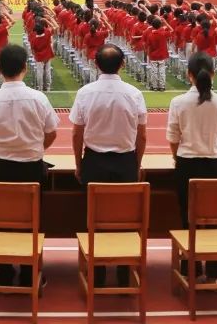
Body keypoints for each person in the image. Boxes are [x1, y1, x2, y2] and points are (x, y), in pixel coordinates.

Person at [0, 44, 58, 288]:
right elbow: (51, 132)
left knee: (1, 221)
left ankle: (4, 272)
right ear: (25, 68)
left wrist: (3, 149)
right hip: (32, 167)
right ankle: (27, 273)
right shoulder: (38, 98)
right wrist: (35, 148)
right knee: (31, 221)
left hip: (0, 166)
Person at [69, 43, 147, 287]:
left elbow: (76, 135)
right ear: (123, 64)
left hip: (94, 161)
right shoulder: (133, 94)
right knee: (124, 220)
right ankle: (124, 276)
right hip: (125, 162)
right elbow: (141, 136)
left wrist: (78, 164)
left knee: (95, 220)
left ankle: (98, 276)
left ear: (95, 63)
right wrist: (137, 164)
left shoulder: (85, 93)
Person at [166, 51, 217, 281]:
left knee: (188, 218)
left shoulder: (178, 102)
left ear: (189, 75)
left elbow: (173, 137)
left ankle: (190, 269)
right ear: (213, 74)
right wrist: (214, 148)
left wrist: (178, 157)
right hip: (215, 163)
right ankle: (215, 271)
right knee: (215, 219)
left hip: (187, 164)